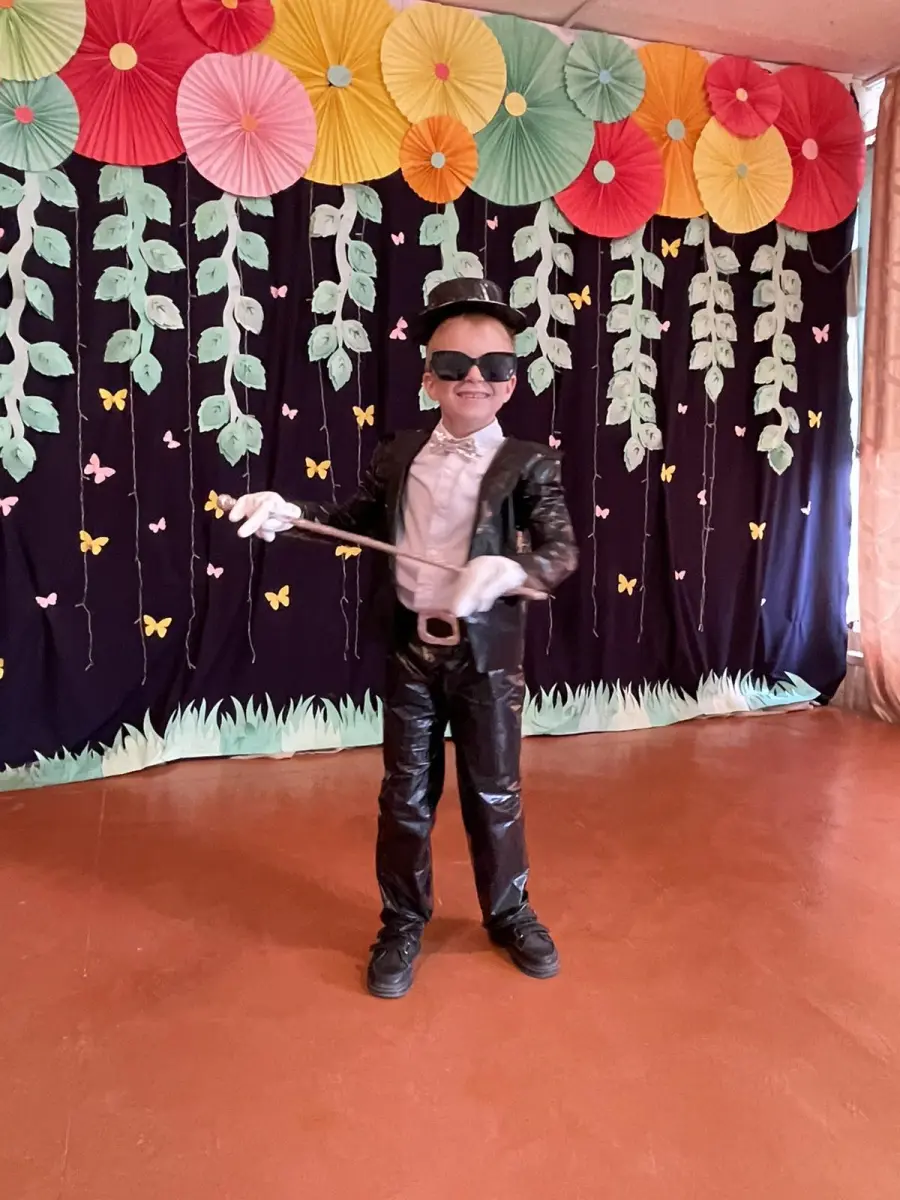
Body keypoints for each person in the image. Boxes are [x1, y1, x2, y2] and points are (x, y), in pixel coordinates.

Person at [229, 278, 578, 999]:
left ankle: (509, 912)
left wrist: (513, 569)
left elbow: (561, 551)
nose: (474, 379)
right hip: (412, 652)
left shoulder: (529, 462)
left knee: (495, 792)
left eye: (494, 366)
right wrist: (289, 513)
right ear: (428, 379)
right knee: (405, 797)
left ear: (512, 382)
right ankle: (402, 920)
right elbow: (351, 519)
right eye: (453, 364)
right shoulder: (399, 454)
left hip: (487, 659)